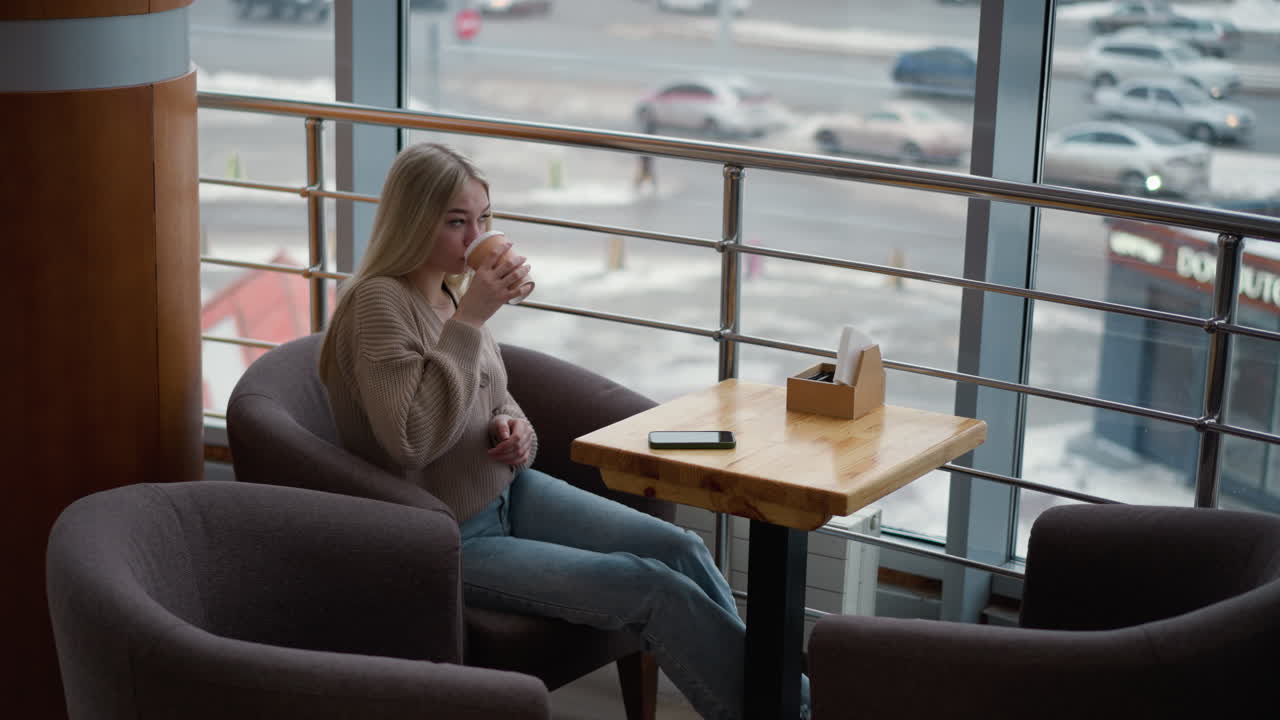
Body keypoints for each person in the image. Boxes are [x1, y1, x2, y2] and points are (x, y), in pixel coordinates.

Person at [318, 143, 810, 720]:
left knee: (680, 548)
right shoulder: (381, 304)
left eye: (482, 219)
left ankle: (781, 705)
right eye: (456, 222)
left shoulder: (447, 289)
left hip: (510, 490)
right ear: (411, 220)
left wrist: (517, 431)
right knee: (652, 588)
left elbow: (493, 391)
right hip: (449, 534)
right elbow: (412, 439)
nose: (474, 235)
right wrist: (473, 318)